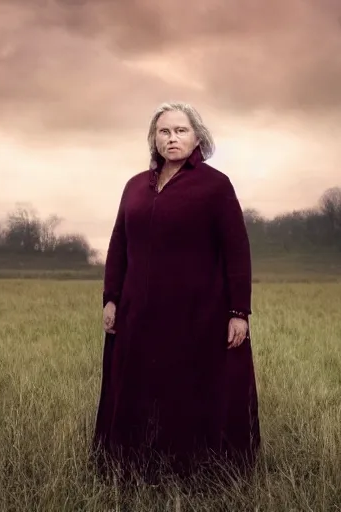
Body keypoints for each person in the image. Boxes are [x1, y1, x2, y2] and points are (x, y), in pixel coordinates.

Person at [92, 102, 261, 483]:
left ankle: (198, 474)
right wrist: (111, 297)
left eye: (181, 131)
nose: (172, 138)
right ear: (154, 138)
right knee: (136, 390)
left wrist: (238, 311)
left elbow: (237, 250)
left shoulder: (216, 186)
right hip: (138, 311)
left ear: (197, 137)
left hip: (197, 314)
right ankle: (135, 471)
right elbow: (119, 243)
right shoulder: (135, 185)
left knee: (191, 392)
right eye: (164, 131)